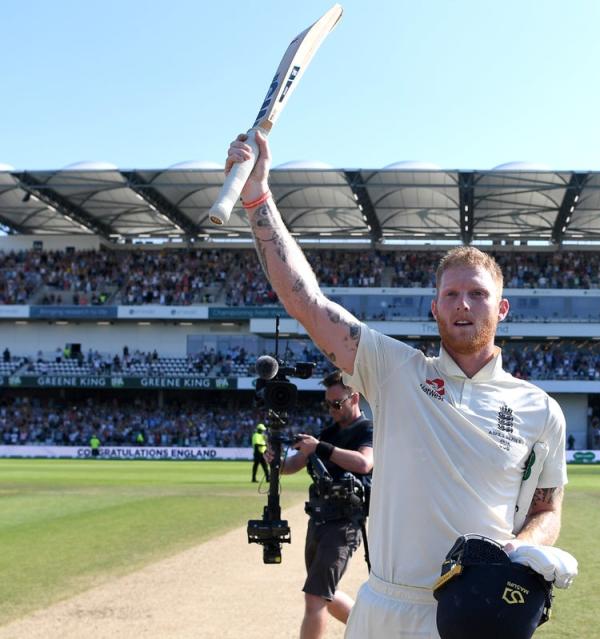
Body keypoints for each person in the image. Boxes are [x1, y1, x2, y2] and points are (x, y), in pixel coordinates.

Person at [225, 132, 568, 639]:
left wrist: (523, 547)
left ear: (501, 309)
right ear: (435, 307)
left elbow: (546, 508)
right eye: (451, 294)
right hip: (385, 607)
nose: (463, 304)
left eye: (478, 294)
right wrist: (257, 199)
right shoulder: (396, 370)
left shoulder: (540, 410)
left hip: (474, 611)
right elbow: (309, 303)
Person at [267, 370, 373, 639]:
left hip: (345, 521)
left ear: (355, 398)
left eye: (337, 403)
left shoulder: (368, 429)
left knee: (315, 597)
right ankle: (374, 631)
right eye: (328, 404)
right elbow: (292, 466)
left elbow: (363, 463)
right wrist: (275, 459)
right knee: (324, 593)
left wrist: (320, 448)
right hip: (319, 519)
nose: (332, 409)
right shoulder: (327, 432)